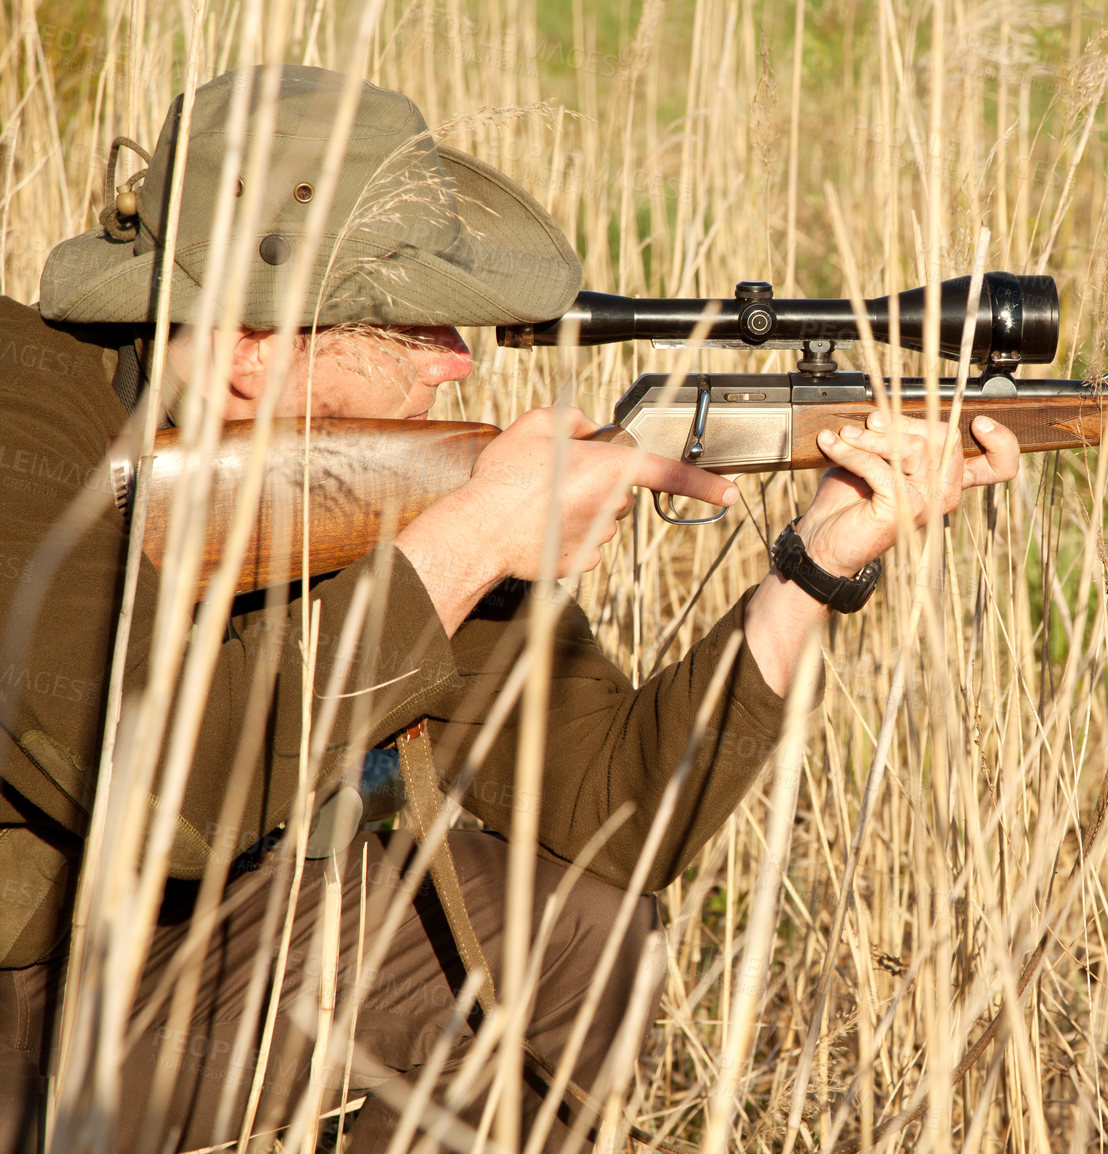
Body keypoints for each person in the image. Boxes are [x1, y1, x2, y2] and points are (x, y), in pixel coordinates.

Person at [0, 65, 1020, 1152]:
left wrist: (813, 566)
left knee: (582, 934)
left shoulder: (357, 482)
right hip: (28, 1007)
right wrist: (476, 537)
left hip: (177, 961)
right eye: (409, 330)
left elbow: (616, 807)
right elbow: (174, 774)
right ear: (253, 351)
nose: (457, 361)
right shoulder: (25, 414)